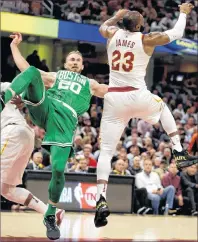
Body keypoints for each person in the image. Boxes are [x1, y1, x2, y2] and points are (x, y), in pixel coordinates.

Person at [94, 3, 198, 227]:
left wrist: (115, 17)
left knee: (106, 152)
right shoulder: (145, 39)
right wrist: (183, 13)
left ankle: (100, 198)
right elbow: (177, 33)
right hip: (136, 95)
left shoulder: (111, 33)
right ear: (140, 25)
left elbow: (103, 26)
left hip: (114, 98)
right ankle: (179, 151)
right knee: (162, 108)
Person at [0, 33, 108, 240]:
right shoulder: (56, 76)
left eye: (78, 60)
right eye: (72, 59)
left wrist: (136, 90)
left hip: (65, 121)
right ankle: (2, 100)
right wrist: (14, 46)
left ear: (82, 66)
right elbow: (25, 69)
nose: (75, 61)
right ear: (66, 64)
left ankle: (50, 215)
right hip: (46, 108)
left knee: (58, 170)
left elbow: (111, 91)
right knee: (32, 71)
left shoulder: (90, 83)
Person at [0, 82, 64, 227]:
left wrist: (23, 98)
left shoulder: (3, 87)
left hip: (12, 132)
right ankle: (52, 212)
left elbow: (29, 83)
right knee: (6, 189)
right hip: (24, 135)